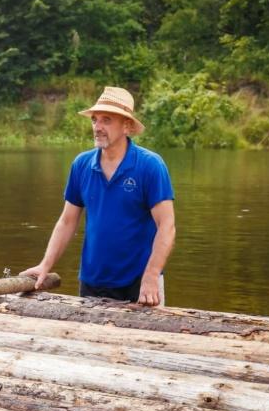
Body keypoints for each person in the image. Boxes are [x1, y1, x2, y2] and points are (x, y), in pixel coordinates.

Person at [21, 86, 175, 306]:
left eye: (106, 120)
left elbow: (167, 225)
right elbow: (67, 221)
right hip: (93, 281)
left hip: (140, 283)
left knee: (147, 340)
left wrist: (151, 276)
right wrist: (45, 264)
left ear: (127, 126)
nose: (98, 127)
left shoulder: (150, 166)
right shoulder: (82, 165)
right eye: (94, 120)